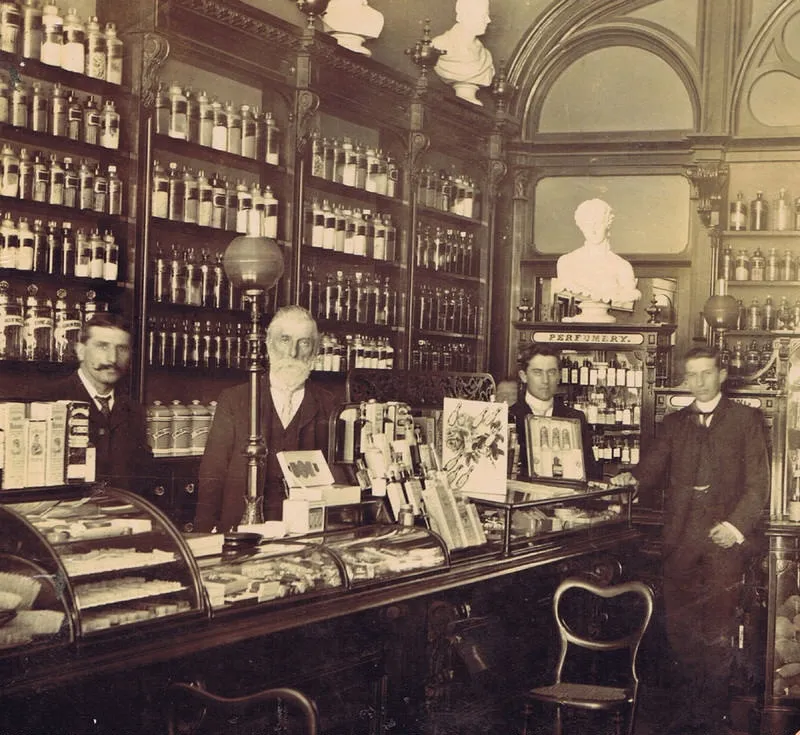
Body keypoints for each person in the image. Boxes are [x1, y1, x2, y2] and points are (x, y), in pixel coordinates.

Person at [611, 345, 769, 735]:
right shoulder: (674, 422)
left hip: (724, 542)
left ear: (721, 375)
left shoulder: (746, 419)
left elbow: (758, 484)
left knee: (717, 632)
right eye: (691, 375)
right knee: (680, 633)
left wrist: (734, 527)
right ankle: (687, 717)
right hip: (680, 538)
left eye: (705, 374)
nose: (698, 382)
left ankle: (712, 719)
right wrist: (629, 480)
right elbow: (651, 466)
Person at [195, 306, 335, 533]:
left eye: (304, 343)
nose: (292, 352)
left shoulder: (329, 404)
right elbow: (213, 472)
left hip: (305, 531)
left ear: (315, 350)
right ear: (269, 344)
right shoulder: (235, 399)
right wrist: (202, 532)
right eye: (285, 340)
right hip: (242, 529)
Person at [42, 313, 152, 493]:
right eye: (102, 346)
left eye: (122, 348)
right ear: (80, 350)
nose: (112, 359)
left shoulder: (134, 410)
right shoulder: (49, 400)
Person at [508, 343, 601, 481]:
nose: (545, 381)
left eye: (551, 372)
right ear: (524, 376)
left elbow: (590, 473)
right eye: (537, 372)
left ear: (559, 376)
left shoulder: (575, 418)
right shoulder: (509, 417)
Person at [555, 198, 641, 305]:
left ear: (608, 224)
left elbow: (629, 292)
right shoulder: (567, 262)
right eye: (587, 225)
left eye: (598, 224)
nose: (593, 230)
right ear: (581, 227)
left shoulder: (622, 266)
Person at [432, 0, 495, 106]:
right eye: (483, 14)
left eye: (487, 15)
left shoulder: (485, 56)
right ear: (464, 15)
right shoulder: (439, 44)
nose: (488, 20)